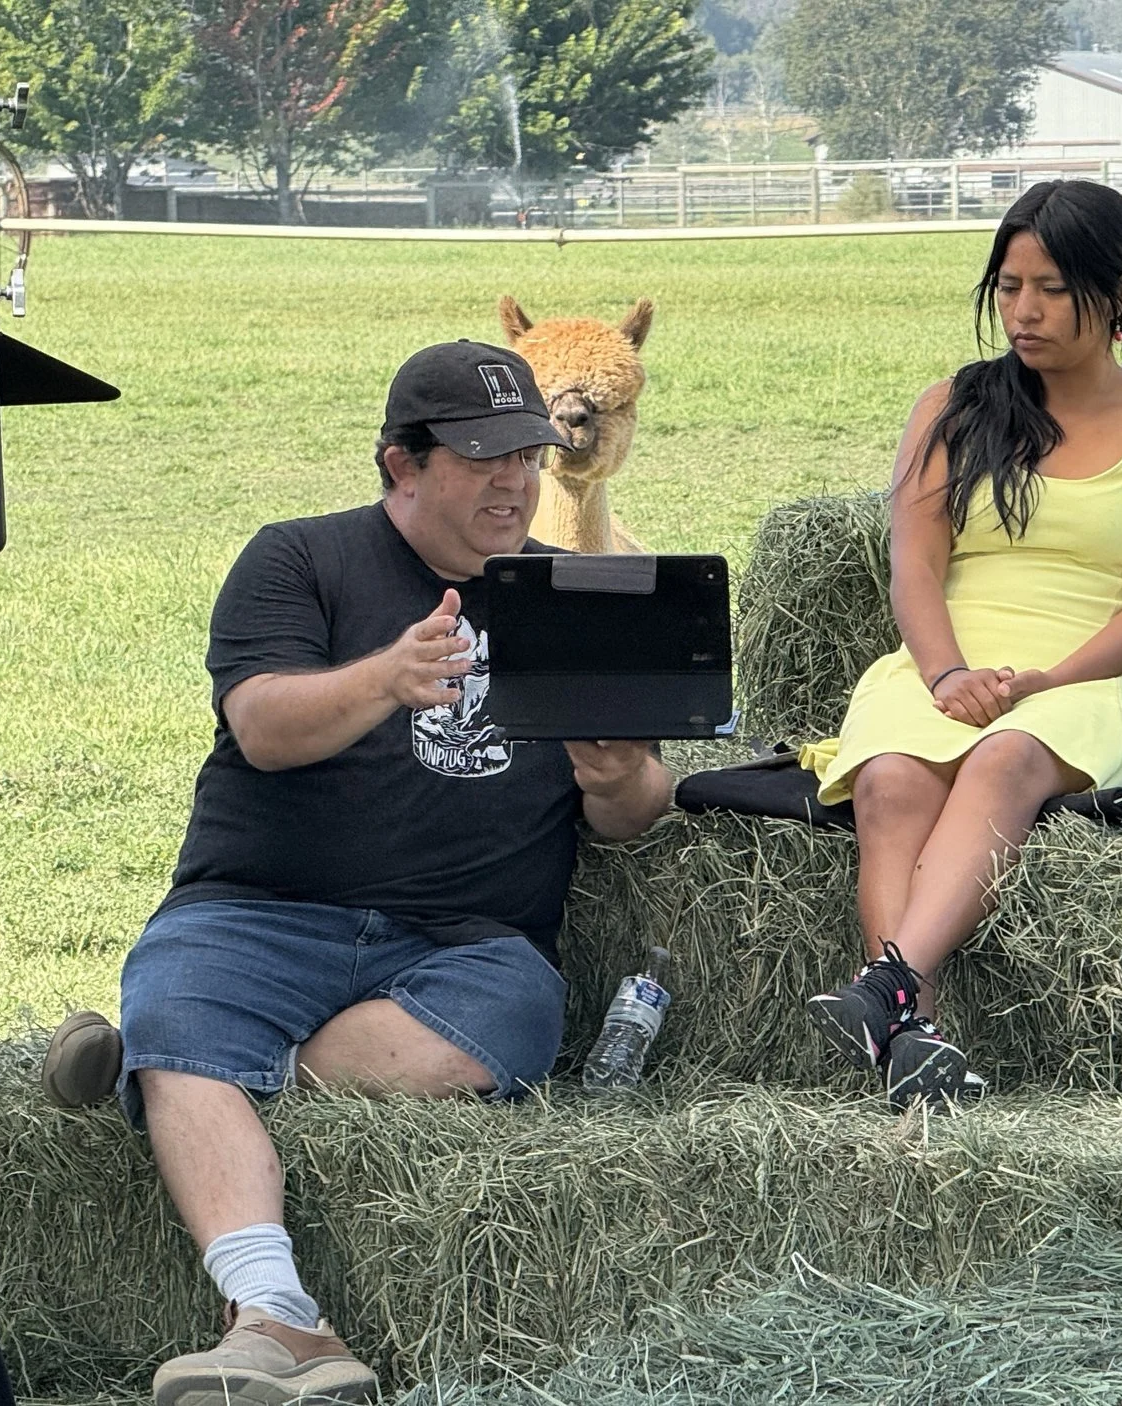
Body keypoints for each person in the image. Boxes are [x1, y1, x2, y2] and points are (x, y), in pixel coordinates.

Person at [37, 341, 675, 1406]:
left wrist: (617, 777)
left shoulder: (575, 594)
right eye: (482, 458)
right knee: (182, 991)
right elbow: (263, 725)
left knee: (514, 1020)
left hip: (469, 945)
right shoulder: (299, 557)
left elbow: (635, 810)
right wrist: (385, 676)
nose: (515, 481)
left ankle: (168, 1075)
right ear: (401, 464)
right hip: (261, 911)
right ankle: (277, 1316)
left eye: (526, 454)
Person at [796, 180, 1122, 1106]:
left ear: (1117, 295)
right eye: (1008, 286)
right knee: (889, 779)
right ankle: (917, 1035)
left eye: (1052, 290)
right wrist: (945, 671)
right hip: (943, 660)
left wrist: (1044, 680)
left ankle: (889, 986)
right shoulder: (953, 406)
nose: (1023, 311)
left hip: (1081, 674)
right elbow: (914, 566)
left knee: (1006, 758)